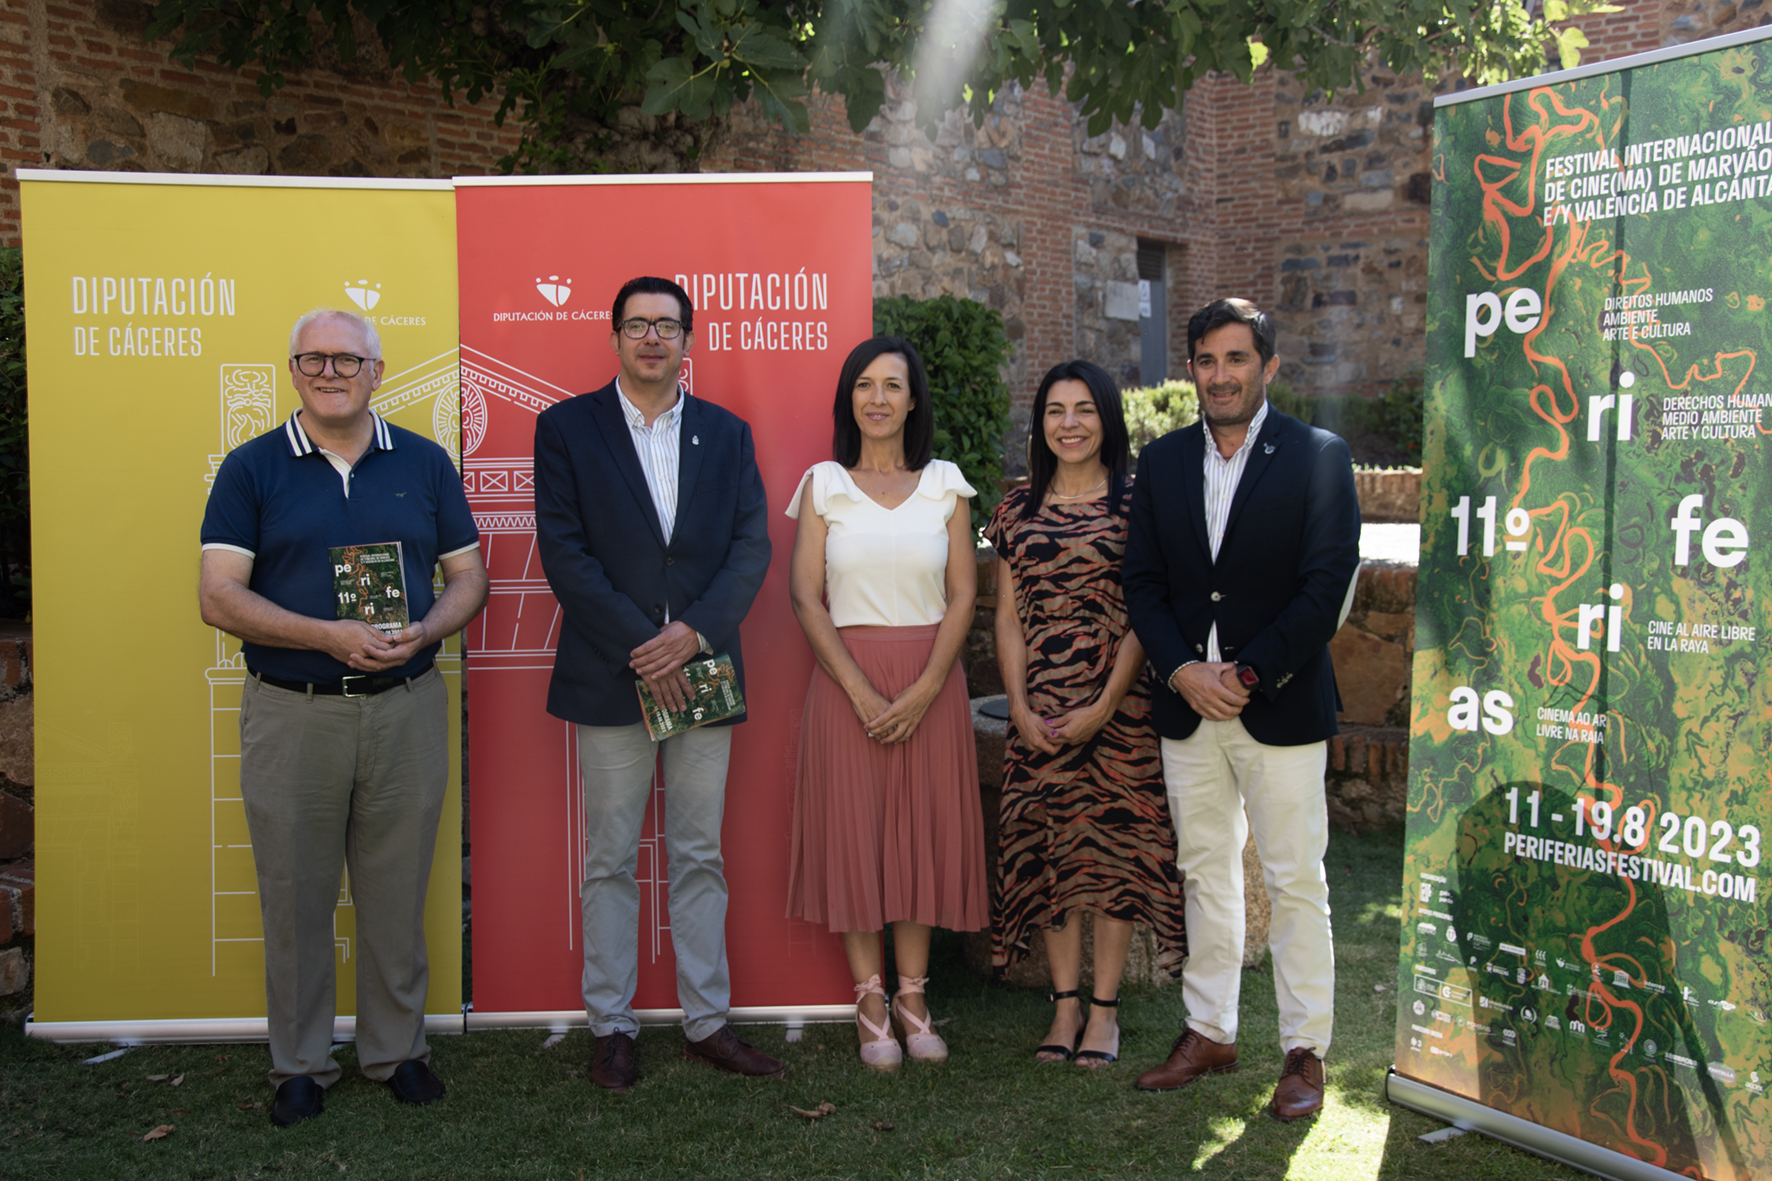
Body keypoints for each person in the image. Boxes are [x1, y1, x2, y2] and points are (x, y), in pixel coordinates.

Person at [198, 308, 489, 1127]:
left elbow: (470, 578)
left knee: (397, 889)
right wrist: (327, 634)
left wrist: (427, 630)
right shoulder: (252, 467)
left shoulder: (425, 463)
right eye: (314, 359)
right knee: (295, 893)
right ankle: (299, 1061)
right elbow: (218, 595)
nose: (331, 372)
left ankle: (397, 1051)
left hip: (405, 706)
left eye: (347, 359)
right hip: (296, 710)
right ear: (294, 370)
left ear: (378, 368)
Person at [532, 276, 780, 1093]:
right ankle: (612, 1025)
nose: (651, 338)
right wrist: (648, 643)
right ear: (614, 337)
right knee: (609, 856)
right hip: (613, 670)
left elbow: (751, 547)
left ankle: (707, 1021)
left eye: (665, 325)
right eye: (636, 325)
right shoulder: (566, 428)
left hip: (703, 665)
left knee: (698, 852)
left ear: (687, 340)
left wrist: (692, 635)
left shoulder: (727, 433)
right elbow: (565, 554)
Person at [1123, 298, 1360, 1120]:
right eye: (1205, 360)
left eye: (1235, 358)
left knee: (1295, 879)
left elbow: (1324, 587)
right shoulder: (1160, 464)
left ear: (1269, 365)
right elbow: (1144, 586)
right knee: (1205, 869)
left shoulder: (1320, 457)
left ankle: (1304, 1051)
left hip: (1281, 704)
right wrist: (1184, 669)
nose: (1219, 374)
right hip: (1188, 707)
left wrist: (1248, 673)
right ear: (1189, 368)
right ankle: (1210, 1030)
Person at [785, 336, 988, 1072]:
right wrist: (863, 689)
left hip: (930, 679)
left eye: (892, 385)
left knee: (920, 837)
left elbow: (965, 593)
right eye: (864, 385)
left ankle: (914, 998)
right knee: (856, 836)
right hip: (847, 684)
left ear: (912, 400)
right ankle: (868, 1000)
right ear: (850, 399)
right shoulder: (823, 484)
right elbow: (806, 597)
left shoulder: (945, 484)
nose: (877, 398)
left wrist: (929, 686)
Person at [985, 359, 1186, 1068]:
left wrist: (1103, 703)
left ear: (1108, 419)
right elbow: (1006, 618)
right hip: (1036, 711)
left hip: (1121, 710)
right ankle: (1063, 1003)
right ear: (1040, 424)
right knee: (1048, 852)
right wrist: (1017, 703)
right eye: (1055, 411)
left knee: (1116, 853)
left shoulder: (1140, 505)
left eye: (1084, 410)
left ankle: (1104, 1010)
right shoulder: (1014, 509)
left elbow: (1147, 612)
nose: (1068, 423)